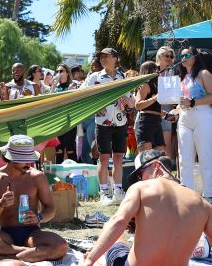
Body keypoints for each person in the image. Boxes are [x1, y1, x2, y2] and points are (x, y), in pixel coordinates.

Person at [83, 149, 212, 266]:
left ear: (156, 166)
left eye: (140, 175)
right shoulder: (203, 204)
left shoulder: (141, 188)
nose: (140, 180)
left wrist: (90, 260)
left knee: (115, 234)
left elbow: (118, 221)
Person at [0, 135, 68, 263]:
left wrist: (39, 217)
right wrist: (1, 204)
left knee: (61, 246)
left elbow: (50, 209)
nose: (28, 162)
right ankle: (26, 253)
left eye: (30, 158)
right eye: (23, 159)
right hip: (5, 236)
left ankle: (6, 258)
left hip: (32, 235)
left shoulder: (37, 177)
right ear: (10, 159)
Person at [82, 48, 134, 205]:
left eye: (106, 56)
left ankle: (118, 191)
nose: (103, 59)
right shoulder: (94, 77)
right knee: (104, 158)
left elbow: (132, 102)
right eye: (101, 57)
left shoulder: (123, 76)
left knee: (119, 157)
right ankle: (104, 192)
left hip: (121, 122)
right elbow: (81, 95)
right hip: (102, 123)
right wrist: (96, 106)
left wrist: (128, 104)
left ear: (115, 58)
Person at [171, 46, 212, 201]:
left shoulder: (203, 74)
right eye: (181, 55)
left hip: (202, 115)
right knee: (184, 158)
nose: (183, 58)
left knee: (205, 156)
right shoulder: (182, 78)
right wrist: (173, 113)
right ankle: (187, 196)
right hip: (184, 118)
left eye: (186, 55)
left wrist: (193, 102)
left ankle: (209, 195)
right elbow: (182, 103)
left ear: (195, 56)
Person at [133, 61, 165, 153]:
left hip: (156, 121)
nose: (157, 71)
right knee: (146, 156)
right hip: (145, 121)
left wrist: (167, 115)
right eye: (153, 69)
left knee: (159, 155)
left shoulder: (156, 86)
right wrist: (155, 98)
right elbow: (138, 105)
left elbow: (155, 108)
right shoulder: (144, 85)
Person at [51, 63, 78, 163]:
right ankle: (58, 177)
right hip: (58, 122)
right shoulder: (55, 87)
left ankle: (75, 175)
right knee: (59, 149)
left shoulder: (72, 85)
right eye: (57, 71)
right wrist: (53, 86)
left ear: (67, 73)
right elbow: (49, 101)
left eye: (61, 71)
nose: (59, 73)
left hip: (70, 121)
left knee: (70, 149)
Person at [155, 46, 176, 157]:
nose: (169, 58)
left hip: (167, 108)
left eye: (171, 56)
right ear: (160, 56)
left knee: (166, 144)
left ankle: (166, 170)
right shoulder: (152, 70)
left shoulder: (173, 71)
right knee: (153, 144)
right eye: (166, 55)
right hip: (152, 109)